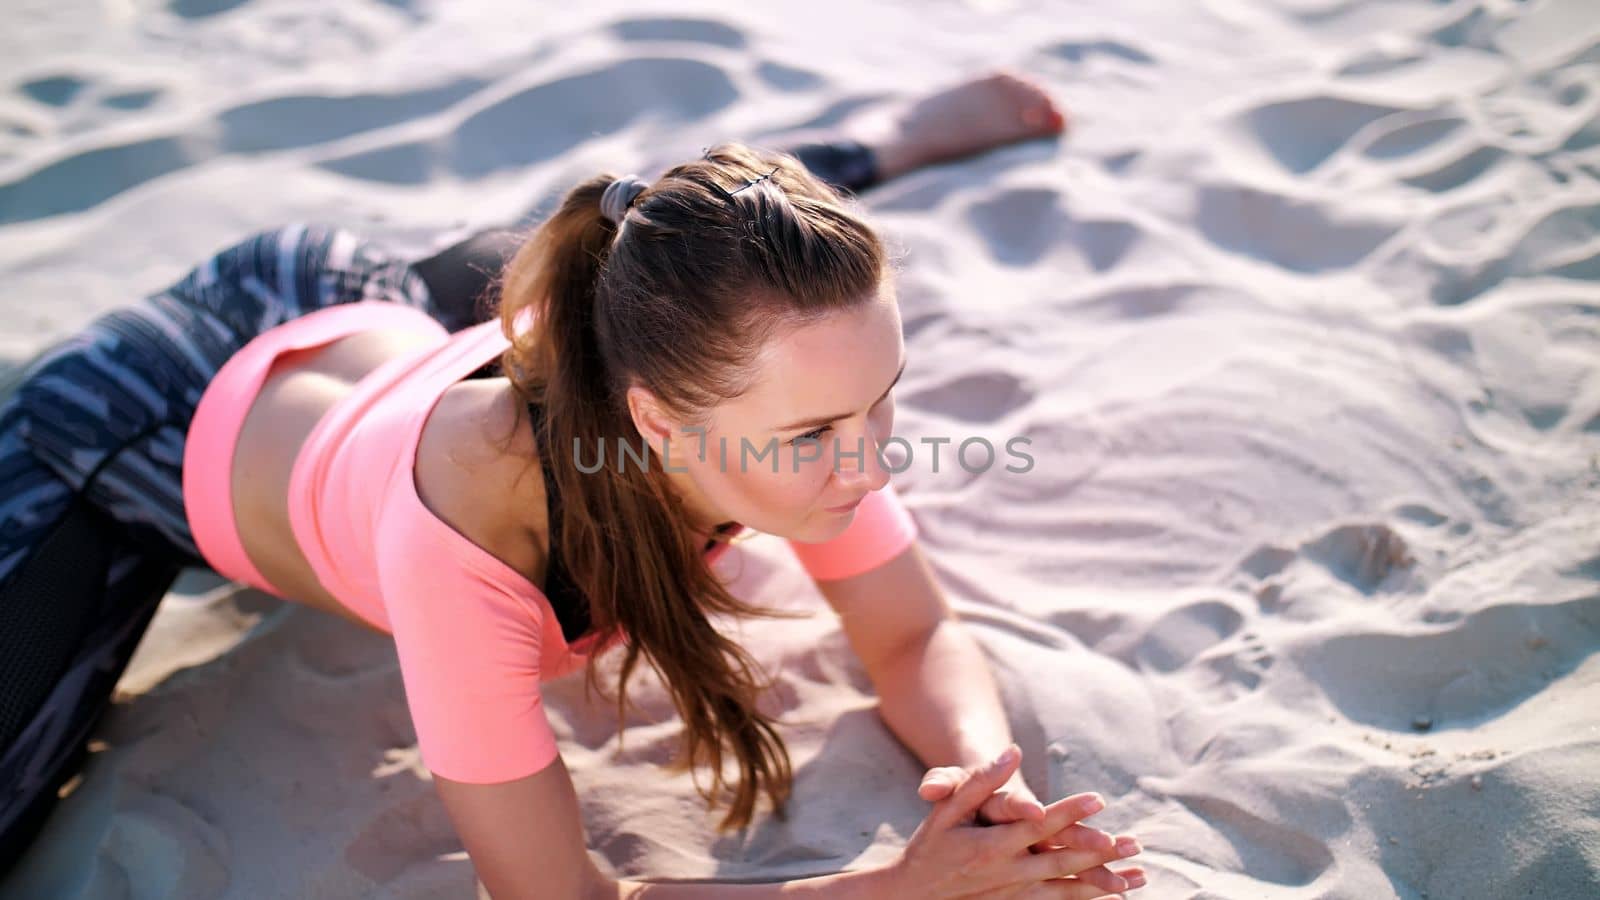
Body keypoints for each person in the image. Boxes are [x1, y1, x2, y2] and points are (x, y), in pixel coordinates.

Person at [0, 72, 1146, 897]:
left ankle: (881, 139)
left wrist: (983, 780)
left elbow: (912, 637)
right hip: (144, 414)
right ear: (652, 419)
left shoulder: (767, 394)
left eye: (881, 397)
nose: (871, 456)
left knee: (655, 235)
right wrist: (894, 895)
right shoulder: (466, 551)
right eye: (814, 431)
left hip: (374, 295)